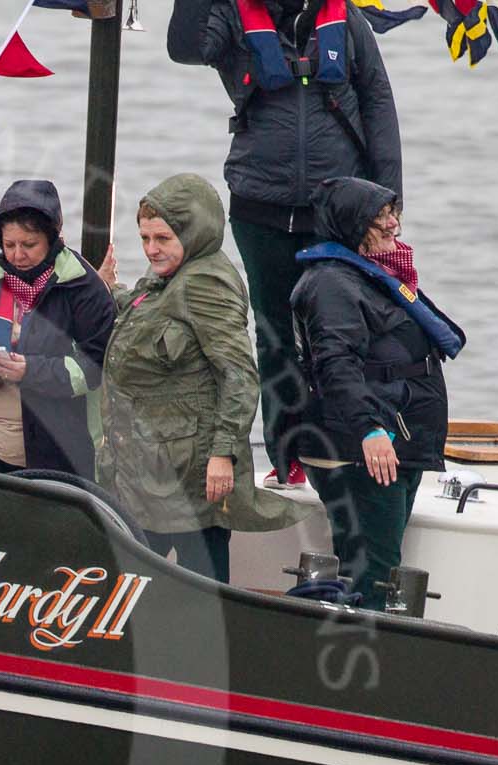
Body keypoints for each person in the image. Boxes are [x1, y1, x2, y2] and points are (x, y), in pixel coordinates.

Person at [167, 0, 403, 483]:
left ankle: (350, 446)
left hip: (337, 213)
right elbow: (185, 49)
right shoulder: (231, 15)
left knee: (339, 333)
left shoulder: (348, 21)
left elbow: (378, 101)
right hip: (260, 206)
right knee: (275, 337)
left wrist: (388, 200)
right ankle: (288, 456)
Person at [97, 174, 307, 582]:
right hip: (145, 470)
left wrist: (223, 454)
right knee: (132, 582)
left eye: (162, 238)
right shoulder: (170, 275)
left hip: (190, 475)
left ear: (192, 233)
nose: (151, 249)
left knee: (201, 589)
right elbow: (145, 316)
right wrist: (108, 289)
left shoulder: (207, 282)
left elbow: (240, 374)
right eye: (144, 238)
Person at [287, 176, 464, 607]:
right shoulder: (331, 284)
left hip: (394, 444)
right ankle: (364, 662)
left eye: (393, 215)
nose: (392, 226)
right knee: (374, 573)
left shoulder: (369, 276)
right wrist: (370, 428)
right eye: (380, 217)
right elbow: (336, 366)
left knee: (376, 568)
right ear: (350, 224)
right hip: (364, 450)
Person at [0, 180, 115, 478]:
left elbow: (97, 367)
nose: (17, 255)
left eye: (29, 245)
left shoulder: (84, 287)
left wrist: (29, 371)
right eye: (9, 245)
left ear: (51, 239)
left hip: (60, 454)